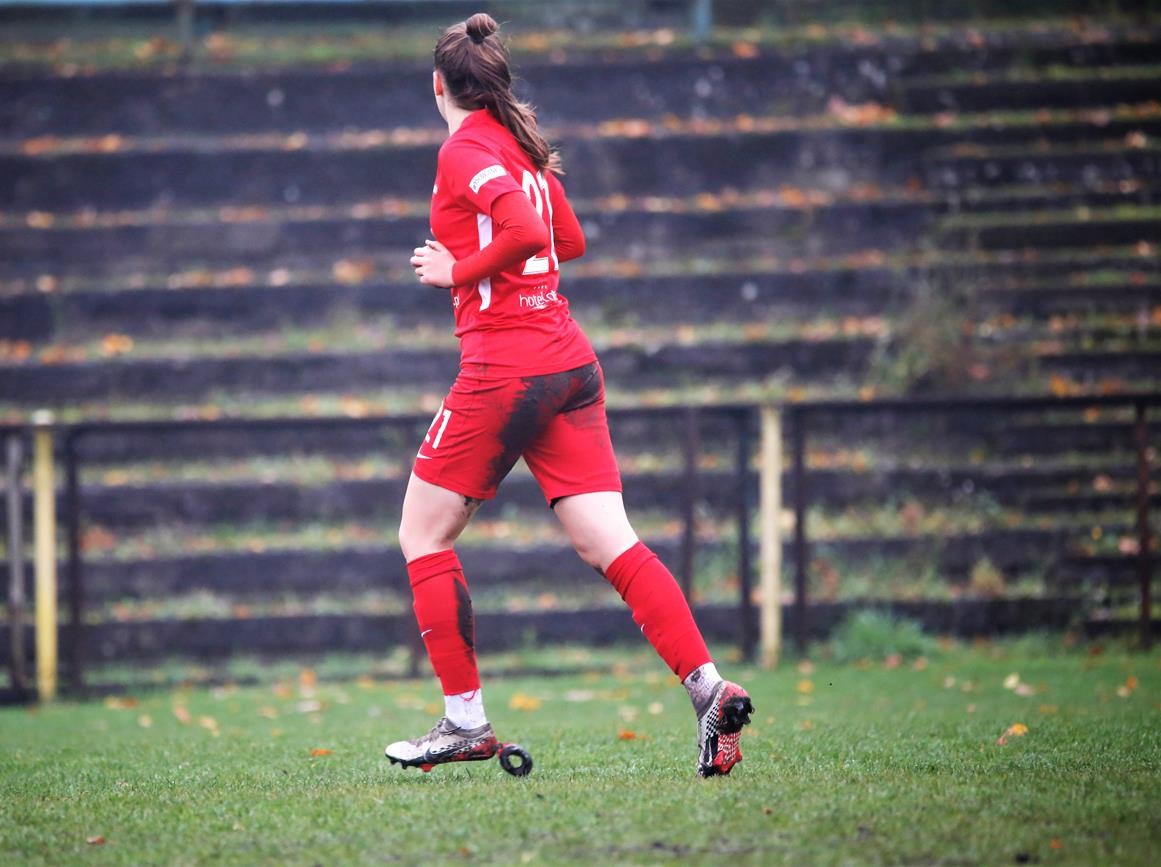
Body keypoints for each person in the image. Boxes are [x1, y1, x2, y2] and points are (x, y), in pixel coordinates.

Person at [384, 12, 752, 779]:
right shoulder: (518, 144)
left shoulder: (464, 149)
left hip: (506, 367)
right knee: (609, 541)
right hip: (568, 363)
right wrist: (488, 253)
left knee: (422, 533)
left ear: (437, 86)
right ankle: (708, 689)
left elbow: (523, 230)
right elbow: (567, 239)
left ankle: (465, 721)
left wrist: (455, 270)